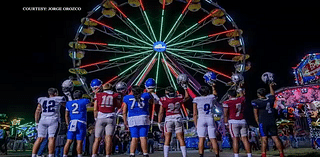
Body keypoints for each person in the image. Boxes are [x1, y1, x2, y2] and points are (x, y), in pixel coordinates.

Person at [252, 83, 284, 157]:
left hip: (263, 121)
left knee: (264, 139)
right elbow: (272, 94)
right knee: (275, 137)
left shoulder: (256, 102)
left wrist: (258, 122)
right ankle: (281, 153)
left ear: (258, 94)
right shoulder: (270, 99)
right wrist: (271, 86)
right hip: (272, 120)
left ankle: (263, 154)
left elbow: (255, 113)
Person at [32, 88, 66, 157]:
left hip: (43, 119)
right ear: (55, 93)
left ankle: (33, 155)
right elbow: (67, 106)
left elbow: (37, 111)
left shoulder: (42, 99)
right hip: (53, 119)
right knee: (51, 138)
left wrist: (37, 122)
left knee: (39, 138)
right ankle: (51, 155)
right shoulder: (58, 99)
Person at [158, 86, 189, 157]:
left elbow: (161, 112)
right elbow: (187, 97)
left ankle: (166, 155)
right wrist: (185, 88)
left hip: (169, 118)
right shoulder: (179, 97)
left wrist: (159, 122)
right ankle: (184, 155)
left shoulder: (164, 99)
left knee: (167, 138)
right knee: (181, 138)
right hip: (178, 117)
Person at [122, 85, 153, 157]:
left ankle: (132, 153)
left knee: (134, 137)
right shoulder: (145, 95)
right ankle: (145, 153)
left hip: (132, 118)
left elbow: (124, 111)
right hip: (143, 117)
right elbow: (152, 101)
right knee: (143, 137)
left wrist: (125, 120)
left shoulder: (127, 98)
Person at [92, 83, 122, 157]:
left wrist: (95, 118)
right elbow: (119, 106)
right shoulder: (115, 95)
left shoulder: (98, 95)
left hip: (101, 117)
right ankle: (107, 155)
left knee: (97, 138)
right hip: (110, 117)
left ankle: (94, 154)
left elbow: (95, 108)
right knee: (108, 138)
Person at [223, 88, 251, 157]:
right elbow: (242, 96)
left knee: (235, 139)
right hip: (243, 120)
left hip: (233, 121)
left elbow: (225, 114)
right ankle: (249, 155)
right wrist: (240, 89)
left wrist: (226, 123)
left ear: (229, 95)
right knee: (245, 139)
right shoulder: (241, 100)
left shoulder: (227, 102)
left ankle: (236, 155)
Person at [193, 85, 220, 157]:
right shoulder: (211, 97)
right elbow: (215, 94)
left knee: (201, 138)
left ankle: (201, 155)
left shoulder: (196, 99)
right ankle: (217, 155)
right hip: (210, 118)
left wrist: (195, 124)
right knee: (213, 138)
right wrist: (213, 86)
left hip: (201, 118)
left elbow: (195, 113)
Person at [63, 90, 91, 157]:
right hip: (81, 122)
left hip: (72, 122)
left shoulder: (69, 103)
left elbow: (66, 115)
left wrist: (67, 124)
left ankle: (64, 155)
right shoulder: (84, 101)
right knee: (79, 141)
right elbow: (91, 104)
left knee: (69, 141)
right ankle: (79, 155)